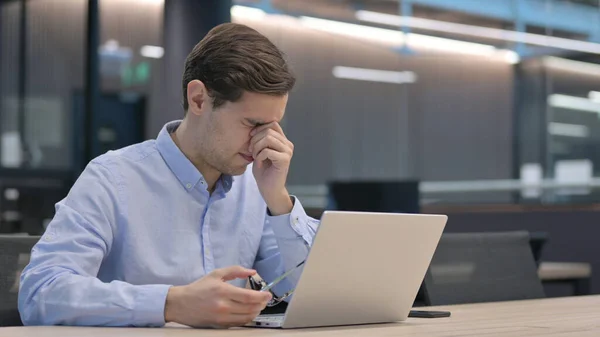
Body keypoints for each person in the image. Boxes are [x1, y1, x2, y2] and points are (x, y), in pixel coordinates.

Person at [18, 23, 319, 328]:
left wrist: (278, 200)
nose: (263, 142)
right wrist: (170, 303)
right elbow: (40, 292)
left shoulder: (254, 187)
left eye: (272, 126)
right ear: (199, 99)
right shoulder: (112, 178)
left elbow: (310, 294)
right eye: (253, 124)